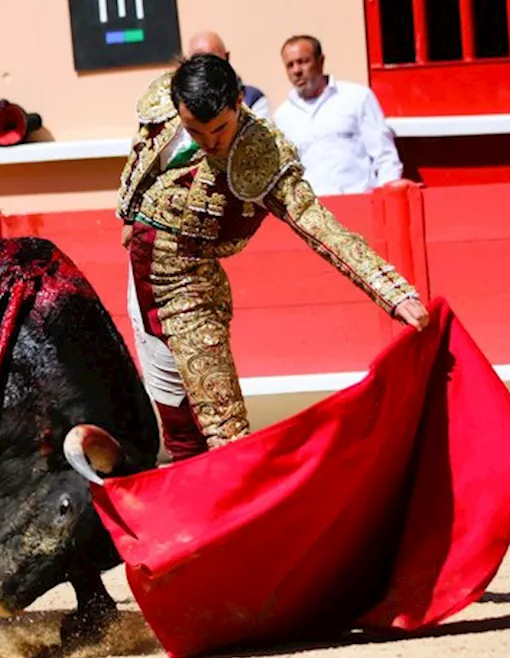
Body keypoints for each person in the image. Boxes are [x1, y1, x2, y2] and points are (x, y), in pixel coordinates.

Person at [116, 53, 430, 460]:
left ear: (238, 103)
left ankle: (242, 517)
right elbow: (142, 155)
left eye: (220, 129)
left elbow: (316, 223)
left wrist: (390, 290)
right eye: (196, 131)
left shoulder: (261, 152)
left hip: (190, 290)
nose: (210, 142)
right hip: (139, 279)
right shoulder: (164, 99)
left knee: (223, 429)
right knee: (175, 422)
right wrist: (127, 213)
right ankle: (198, 518)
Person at [272, 34, 402, 196]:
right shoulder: (282, 116)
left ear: (321, 62)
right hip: (313, 213)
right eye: (290, 65)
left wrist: (385, 200)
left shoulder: (357, 98)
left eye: (303, 61)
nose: (297, 70)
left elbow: (385, 157)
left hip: (359, 203)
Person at [184, 31, 269, 119]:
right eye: (199, 61)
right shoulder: (179, 106)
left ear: (227, 57)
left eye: (213, 60)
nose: (206, 68)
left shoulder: (252, 99)